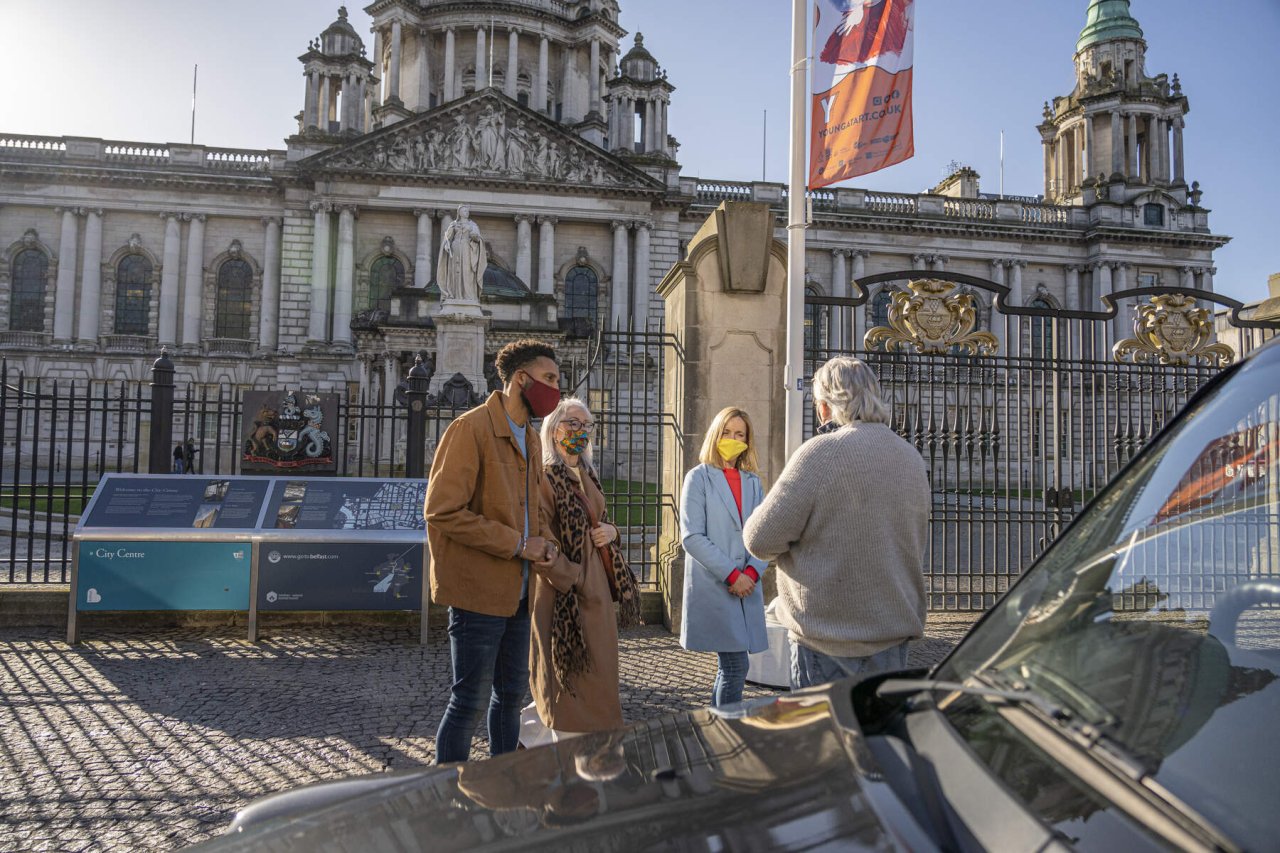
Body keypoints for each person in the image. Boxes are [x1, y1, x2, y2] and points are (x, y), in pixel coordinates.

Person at [743, 357, 928, 689]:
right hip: (892, 633)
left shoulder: (820, 453)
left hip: (827, 639)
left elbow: (759, 539)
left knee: (826, 738)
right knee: (876, 736)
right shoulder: (910, 457)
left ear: (826, 407)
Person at [425, 338, 563, 763]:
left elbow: (531, 509)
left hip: (521, 594)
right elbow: (442, 511)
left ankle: (508, 786)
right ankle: (448, 796)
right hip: (478, 594)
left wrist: (546, 546)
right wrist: (520, 544)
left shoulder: (534, 438)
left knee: (510, 697)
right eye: (550, 379)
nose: (557, 389)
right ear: (521, 379)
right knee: (468, 701)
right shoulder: (470, 428)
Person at [530, 398, 642, 739]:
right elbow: (540, 536)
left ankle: (595, 750)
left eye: (586, 426)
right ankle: (567, 752)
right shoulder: (546, 478)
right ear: (554, 430)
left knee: (600, 675)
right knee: (569, 679)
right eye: (572, 424)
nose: (580, 432)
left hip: (597, 595)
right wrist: (573, 578)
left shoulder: (587, 474)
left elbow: (601, 521)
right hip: (564, 597)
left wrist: (614, 532)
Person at [678, 407, 770, 708]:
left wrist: (753, 575)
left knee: (729, 668)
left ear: (747, 440)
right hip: (718, 584)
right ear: (715, 435)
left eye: (739, 434)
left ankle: (717, 730)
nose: (733, 439)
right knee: (735, 668)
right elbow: (692, 536)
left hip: (747, 586)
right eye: (727, 432)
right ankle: (725, 732)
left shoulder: (753, 482)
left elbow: (765, 533)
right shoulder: (698, 478)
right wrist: (734, 576)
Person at [436, 204, 487, 304]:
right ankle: (453, 294)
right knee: (454, 271)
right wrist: (446, 245)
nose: (466, 213)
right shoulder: (453, 224)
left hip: (467, 249)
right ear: (459, 213)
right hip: (455, 249)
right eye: (464, 211)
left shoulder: (473, 225)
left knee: (467, 271)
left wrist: (475, 237)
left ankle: (469, 295)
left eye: (467, 211)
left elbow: (478, 238)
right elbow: (447, 239)